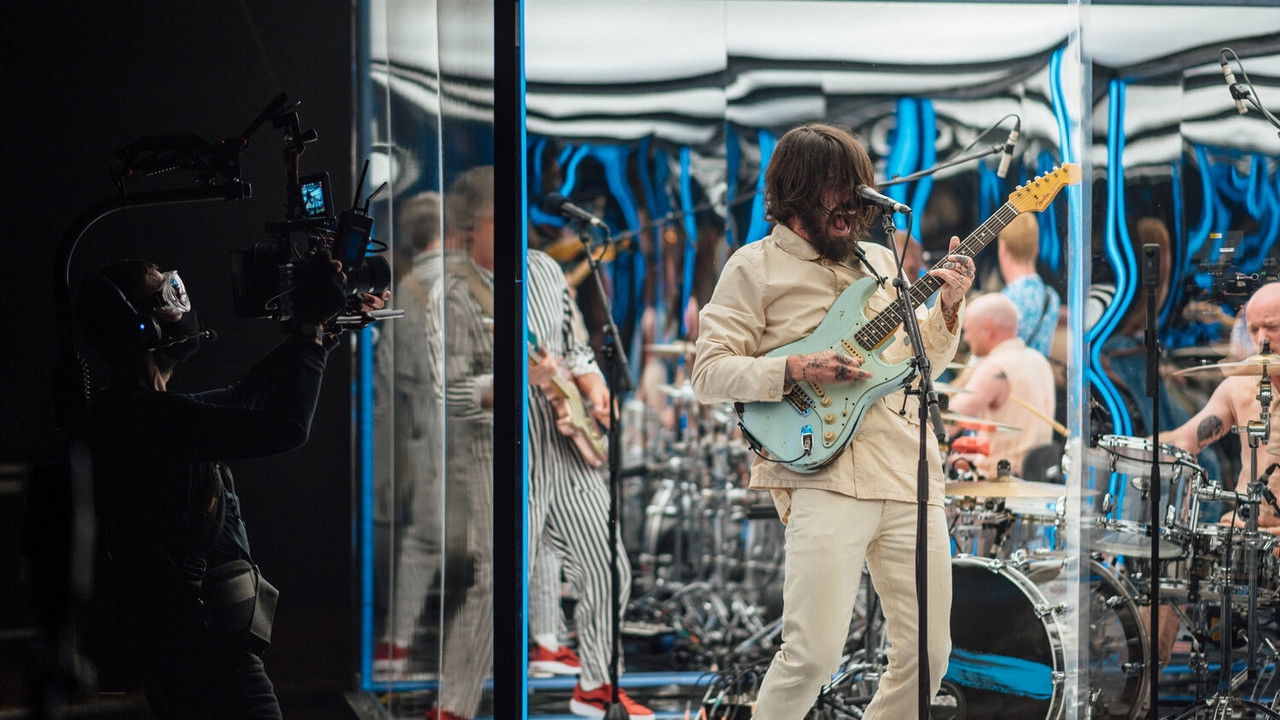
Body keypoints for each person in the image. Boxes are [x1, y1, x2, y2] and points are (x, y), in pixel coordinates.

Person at [691, 122, 972, 719]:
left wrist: (948, 308)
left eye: (857, 189)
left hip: (907, 472)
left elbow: (916, 360)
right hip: (823, 475)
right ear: (796, 192)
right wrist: (796, 367)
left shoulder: (879, 260)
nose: (850, 204)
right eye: (835, 190)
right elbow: (709, 373)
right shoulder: (754, 267)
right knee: (811, 656)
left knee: (929, 656)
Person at [79, 256, 388, 719]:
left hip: (196, 654)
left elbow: (247, 396)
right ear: (139, 327)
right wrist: (309, 331)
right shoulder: (144, 421)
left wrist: (323, 331)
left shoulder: (139, 413)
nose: (183, 307)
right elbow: (285, 425)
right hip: (207, 662)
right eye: (167, 296)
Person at [946, 292, 1056, 479]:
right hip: (1034, 480)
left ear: (987, 329)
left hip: (998, 482)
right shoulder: (1039, 360)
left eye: (967, 331)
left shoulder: (995, 368)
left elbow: (945, 424)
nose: (965, 339)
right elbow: (1022, 436)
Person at [997, 211, 1059, 355]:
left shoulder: (1004, 303)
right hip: (1039, 369)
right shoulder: (1051, 297)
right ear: (1036, 249)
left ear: (1003, 248)